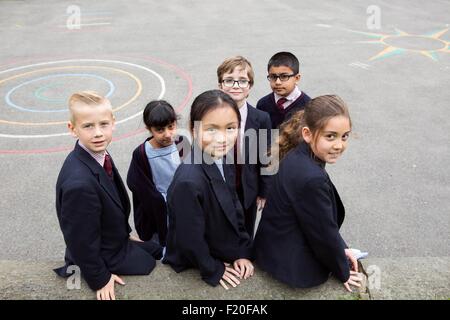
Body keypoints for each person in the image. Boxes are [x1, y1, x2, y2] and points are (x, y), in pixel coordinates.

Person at [54, 91, 162, 300]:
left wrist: (125, 232)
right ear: (72, 128)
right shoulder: (79, 184)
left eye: (103, 124)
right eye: (88, 126)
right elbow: (79, 240)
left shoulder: (96, 153)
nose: (98, 133)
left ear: (113, 122)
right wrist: (100, 278)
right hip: (103, 256)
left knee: (158, 249)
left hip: (114, 239)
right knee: (153, 263)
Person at [254, 95, 362, 292]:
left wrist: (341, 246)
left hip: (270, 249)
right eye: (330, 136)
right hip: (291, 265)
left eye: (344, 136)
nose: (339, 145)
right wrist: (342, 269)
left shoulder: (298, 153)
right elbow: (322, 232)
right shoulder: (311, 178)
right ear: (307, 134)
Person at [163, 90, 254, 290]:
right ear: (193, 130)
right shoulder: (189, 181)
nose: (222, 138)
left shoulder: (223, 157)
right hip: (200, 256)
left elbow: (234, 206)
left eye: (230, 128)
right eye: (211, 129)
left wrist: (242, 251)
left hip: (222, 241)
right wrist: (213, 269)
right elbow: (189, 237)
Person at [217, 56, 272, 237]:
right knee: (221, 228)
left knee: (247, 230)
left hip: (248, 188)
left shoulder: (262, 118)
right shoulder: (209, 115)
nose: (236, 85)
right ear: (220, 85)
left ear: (249, 87)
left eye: (242, 81)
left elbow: (268, 157)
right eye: (229, 80)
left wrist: (264, 191)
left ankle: (245, 255)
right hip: (220, 187)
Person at [127, 100, 189, 248]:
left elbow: (191, 172)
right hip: (159, 208)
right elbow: (137, 184)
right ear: (149, 129)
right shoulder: (142, 153)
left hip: (183, 201)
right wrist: (160, 201)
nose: (167, 134)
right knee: (164, 243)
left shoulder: (182, 142)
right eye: (160, 130)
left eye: (171, 127)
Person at [256, 51, 311, 129]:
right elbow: (262, 138)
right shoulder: (263, 104)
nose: (278, 82)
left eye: (284, 76)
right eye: (273, 77)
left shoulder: (308, 106)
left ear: (297, 78)